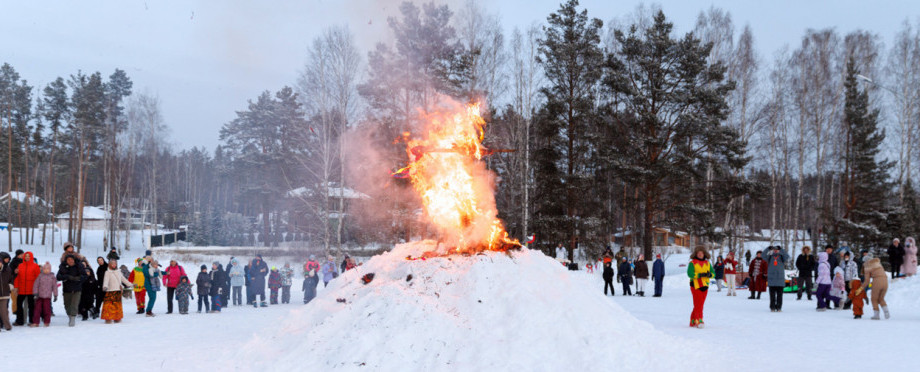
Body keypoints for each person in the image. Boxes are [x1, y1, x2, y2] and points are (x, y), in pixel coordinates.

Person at [687, 246, 715, 329]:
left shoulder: (707, 263)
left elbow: (713, 273)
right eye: (698, 253)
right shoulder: (692, 263)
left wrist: (710, 275)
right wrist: (700, 275)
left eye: (701, 253)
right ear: (696, 254)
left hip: (705, 285)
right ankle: (699, 320)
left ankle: (692, 320)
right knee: (698, 304)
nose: (700, 254)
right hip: (695, 286)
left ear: (704, 254)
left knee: (700, 304)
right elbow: (690, 274)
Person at [101, 259, 134, 324]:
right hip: (110, 291)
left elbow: (124, 280)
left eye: (115, 264)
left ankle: (117, 318)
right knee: (109, 306)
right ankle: (108, 319)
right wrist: (105, 286)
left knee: (117, 306)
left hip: (117, 291)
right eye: (112, 264)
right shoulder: (107, 272)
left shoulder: (119, 272)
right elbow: (106, 280)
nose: (114, 265)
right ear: (110, 264)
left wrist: (131, 284)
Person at [57, 254, 87, 326]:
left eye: (71, 259)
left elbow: (85, 276)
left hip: (77, 288)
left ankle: (73, 318)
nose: (70, 261)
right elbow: (58, 277)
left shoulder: (79, 266)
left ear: (74, 260)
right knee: (67, 304)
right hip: (67, 289)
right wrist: (67, 277)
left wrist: (79, 279)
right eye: (68, 260)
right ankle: (70, 316)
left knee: (74, 304)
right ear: (66, 261)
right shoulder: (62, 267)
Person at [13, 251, 39, 326]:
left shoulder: (35, 266)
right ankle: (19, 321)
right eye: (26, 256)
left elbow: (38, 278)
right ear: (24, 257)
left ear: (31, 257)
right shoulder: (20, 265)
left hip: (31, 289)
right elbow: (17, 277)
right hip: (21, 289)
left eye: (29, 256)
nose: (27, 257)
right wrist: (16, 287)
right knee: (19, 305)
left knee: (31, 306)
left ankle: (32, 321)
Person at [32, 262, 58, 327]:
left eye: (48, 269)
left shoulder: (52, 277)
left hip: (47, 296)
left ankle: (47, 322)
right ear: (43, 269)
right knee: (37, 309)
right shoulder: (40, 276)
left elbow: (55, 286)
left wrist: (55, 295)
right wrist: (35, 293)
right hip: (39, 296)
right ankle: (36, 322)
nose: (46, 270)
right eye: (45, 269)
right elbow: (36, 285)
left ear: (50, 269)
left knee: (47, 309)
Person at [765, 246, 789, 312]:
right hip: (772, 279)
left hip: (780, 279)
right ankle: (772, 307)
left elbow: (787, 256)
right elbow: (763, 256)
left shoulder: (782, 257)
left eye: (777, 249)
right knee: (772, 295)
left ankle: (779, 307)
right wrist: (768, 249)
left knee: (779, 295)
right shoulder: (769, 257)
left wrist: (782, 249)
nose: (776, 250)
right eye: (774, 249)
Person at [0, 252, 12, 332]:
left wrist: (10, 286)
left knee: (4, 310)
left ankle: (7, 325)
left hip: (4, 293)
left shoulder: (7, 269)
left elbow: (11, 279)